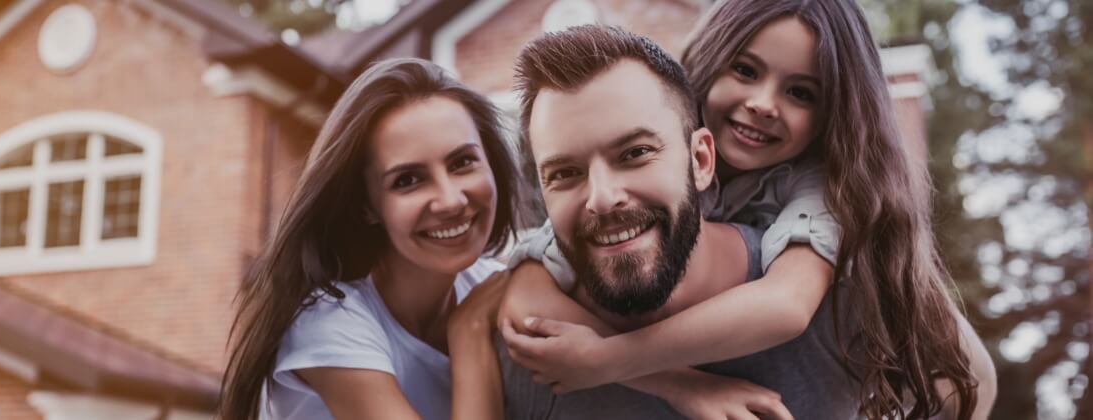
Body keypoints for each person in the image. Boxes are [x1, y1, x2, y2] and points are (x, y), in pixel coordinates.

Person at [499, 19, 993, 419]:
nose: (762, 104)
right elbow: (521, 295)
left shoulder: (821, 191)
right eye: (745, 70)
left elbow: (787, 305)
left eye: (801, 92)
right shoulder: (621, 179)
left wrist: (607, 360)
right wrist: (679, 385)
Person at [219, 58, 522, 420]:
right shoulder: (327, 320)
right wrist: (469, 333)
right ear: (366, 206)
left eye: (462, 163)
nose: (451, 200)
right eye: (407, 180)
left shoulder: (493, 282)